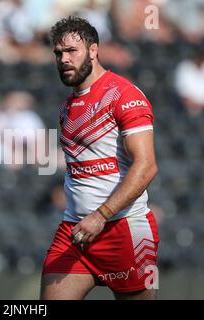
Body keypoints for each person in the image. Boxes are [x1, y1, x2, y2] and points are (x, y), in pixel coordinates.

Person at [40, 17, 159, 300]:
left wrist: (101, 215)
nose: (64, 59)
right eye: (58, 53)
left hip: (123, 228)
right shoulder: (67, 107)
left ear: (93, 50)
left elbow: (147, 166)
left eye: (72, 51)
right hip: (76, 230)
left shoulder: (124, 95)